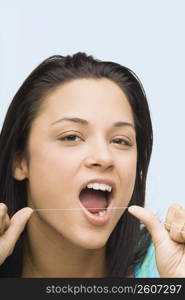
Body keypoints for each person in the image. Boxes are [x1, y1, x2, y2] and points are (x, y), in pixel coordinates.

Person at [0, 52, 184, 278]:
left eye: (120, 140)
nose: (104, 157)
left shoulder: (166, 271)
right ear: (20, 161)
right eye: (71, 137)